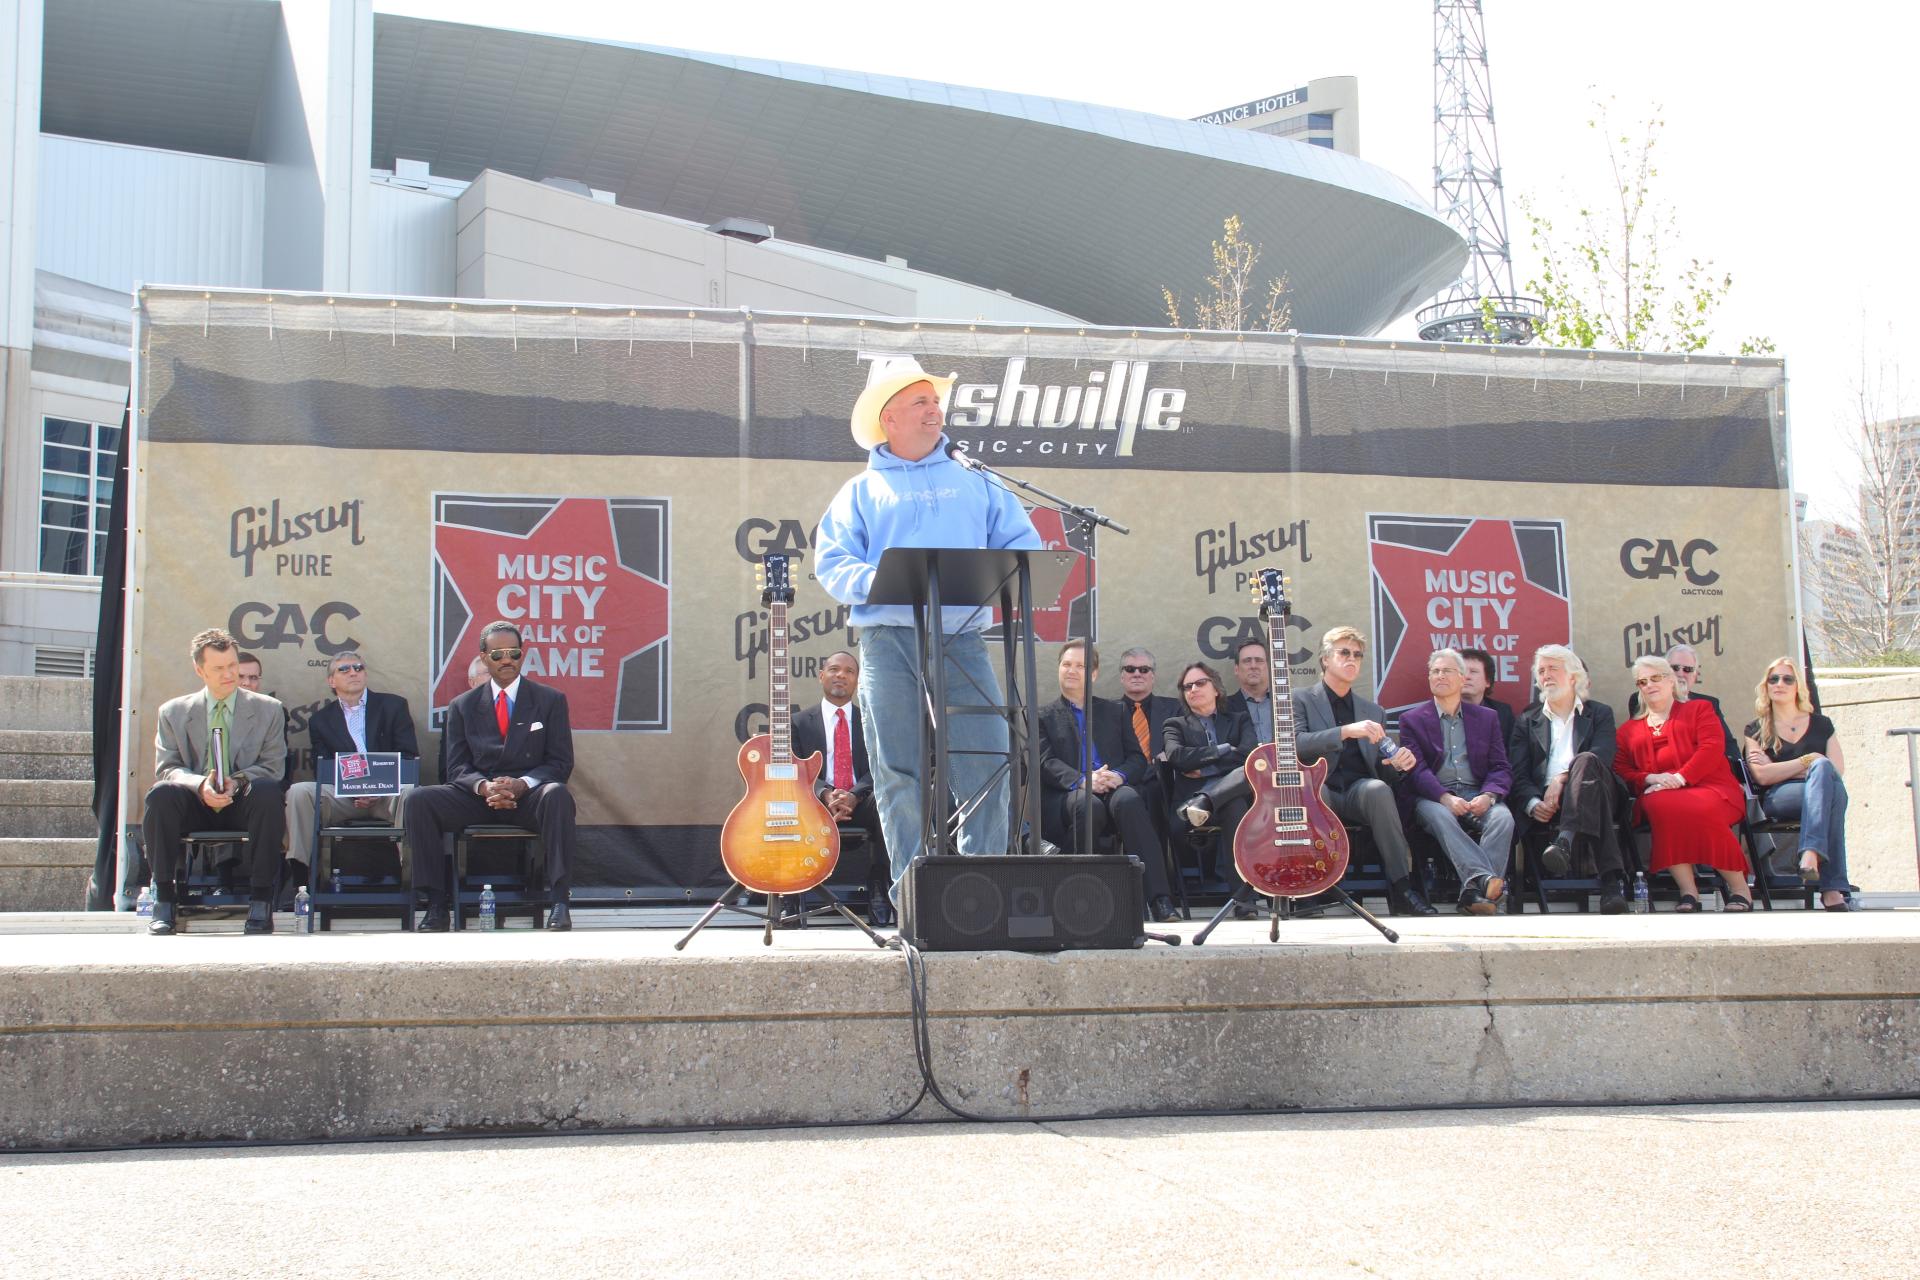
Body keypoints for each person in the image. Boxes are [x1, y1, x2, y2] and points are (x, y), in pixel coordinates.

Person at [813, 356, 1042, 905]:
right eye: (920, 402)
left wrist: (998, 572)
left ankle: (980, 892)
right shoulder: (859, 491)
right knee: (898, 772)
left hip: (962, 638)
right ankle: (914, 898)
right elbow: (832, 564)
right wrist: (889, 581)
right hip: (889, 643)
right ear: (888, 417)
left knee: (988, 759)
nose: (934, 410)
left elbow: (1022, 544)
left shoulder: (975, 477)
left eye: (935, 401)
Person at [404, 621, 578, 931]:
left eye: (513, 653)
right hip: (479, 796)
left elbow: (560, 762)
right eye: (498, 655)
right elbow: (456, 768)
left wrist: (522, 784)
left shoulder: (550, 700)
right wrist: (485, 787)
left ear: (522, 655)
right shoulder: (462, 706)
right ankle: (435, 905)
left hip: (528, 795)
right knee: (420, 800)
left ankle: (560, 902)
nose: (507, 660)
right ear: (484, 657)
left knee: (558, 795)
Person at [142, 628, 288, 936]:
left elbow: (273, 766)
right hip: (194, 800)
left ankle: (261, 901)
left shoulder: (268, 709)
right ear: (200, 670)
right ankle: (164, 899)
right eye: (219, 669)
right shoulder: (174, 712)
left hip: (241, 798)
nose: (229, 674)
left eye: (232, 666)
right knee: (161, 795)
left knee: (268, 792)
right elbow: (168, 767)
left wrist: (236, 781)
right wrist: (200, 786)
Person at [1292, 627, 1434, 917]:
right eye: (1344, 652)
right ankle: (1313, 887)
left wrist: (1397, 766)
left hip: (1358, 791)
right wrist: (1344, 731)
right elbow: (1295, 745)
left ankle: (1401, 887)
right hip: (1322, 787)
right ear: (1325, 659)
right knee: (1316, 793)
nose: (1352, 659)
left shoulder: (1373, 710)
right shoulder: (1301, 698)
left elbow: (1385, 775)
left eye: (1357, 655)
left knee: (1379, 790)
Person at [1038, 641, 1178, 923]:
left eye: (1081, 666)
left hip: (1113, 786)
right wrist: (1082, 779)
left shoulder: (1115, 711)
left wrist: (1119, 775)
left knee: (1129, 800)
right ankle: (1076, 899)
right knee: (1089, 806)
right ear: (1058, 670)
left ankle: (1160, 900)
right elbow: (1044, 763)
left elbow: (1138, 759)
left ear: (1093, 674)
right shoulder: (1042, 716)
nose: (1073, 671)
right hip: (1069, 794)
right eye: (1067, 665)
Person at [1613, 655, 1750, 912]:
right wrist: (1649, 778)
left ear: (1671, 680)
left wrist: (1679, 778)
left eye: (1656, 678)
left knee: (1700, 808)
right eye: (1642, 682)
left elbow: (1712, 748)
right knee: (1661, 805)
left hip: (1711, 788)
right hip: (1659, 792)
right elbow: (1620, 769)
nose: (1649, 685)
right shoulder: (1627, 731)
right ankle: (1688, 892)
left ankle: (1740, 889)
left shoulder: (1699, 710)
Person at [283, 649, 420, 897]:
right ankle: (301, 877)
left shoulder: (393, 706)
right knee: (299, 792)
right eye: (344, 669)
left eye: (358, 667)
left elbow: (408, 756)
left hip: (388, 796)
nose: (353, 672)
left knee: (412, 794)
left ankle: (411, 876)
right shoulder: (321, 721)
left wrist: (376, 787)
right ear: (331, 681)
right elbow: (322, 768)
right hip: (343, 797)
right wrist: (356, 789)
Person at [1506, 645, 1628, 913]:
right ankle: (1611, 886)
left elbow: (1602, 755)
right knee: (1592, 799)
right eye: (1541, 671)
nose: (1546, 675)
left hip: (1598, 786)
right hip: (1550, 801)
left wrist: (1563, 777)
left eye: (1553, 669)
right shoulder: (1527, 719)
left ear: (1573, 676)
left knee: (1587, 765)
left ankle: (1565, 840)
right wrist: (1532, 803)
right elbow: (1518, 772)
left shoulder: (1599, 713)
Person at [1397, 648, 1513, 915]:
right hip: (1432, 796)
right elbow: (1417, 770)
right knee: (1441, 816)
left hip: (1477, 792)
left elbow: (1501, 767)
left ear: (1462, 679)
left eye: (1447, 671)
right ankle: (1483, 882)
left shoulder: (1487, 718)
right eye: (1435, 671)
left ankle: (1473, 895)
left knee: (1503, 818)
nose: (1440, 676)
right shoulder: (1412, 720)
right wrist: (1445, 797)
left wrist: (1489, 796)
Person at [790, 649, 893, 926]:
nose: (841, 676)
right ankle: (792, 892)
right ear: (821, 675)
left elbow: (879, 768)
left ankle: (880, 886)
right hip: (816, 803)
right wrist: (825, 793)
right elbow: (797, 769)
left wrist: (854, 795)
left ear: (857, 681)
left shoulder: (869, 722)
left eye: (849, 672)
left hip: (860, 802)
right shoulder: (799, 722)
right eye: (835, 669)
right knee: (789, 799)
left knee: (889, 801)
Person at [1744, 656, 1854, 911]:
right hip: (1779, 798)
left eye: (1787, 678)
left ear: (1798, 687)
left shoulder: (1821, 724)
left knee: (1830, 784)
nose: (1779, 683)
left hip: (1821, 793)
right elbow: (1762, 777)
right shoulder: (1757, 729)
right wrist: (1808, 761)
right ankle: (1831, 884)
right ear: (1766, 686)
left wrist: (1785, 769)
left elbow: (1835, 770)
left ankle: (1812, 857)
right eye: (1773, 679)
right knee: (1828, 784)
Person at [1160, 661, 1259, 912]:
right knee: (1235, 790)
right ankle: (1244, 900)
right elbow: (1178, 757)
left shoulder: (1238, 720)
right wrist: (1223, 750)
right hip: (1187, 806)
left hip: (1206, 805)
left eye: (1200, 683)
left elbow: (1249, 756)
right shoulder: (1175, 725)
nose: (1193, 689)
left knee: (1240, 788)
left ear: (1216, 688)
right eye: (1187, 686)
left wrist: (1202, 766)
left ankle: (1207, 798)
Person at [1114, 646, 1182, 825]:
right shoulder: (1107, 712)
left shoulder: (1175, 708)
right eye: (1130, 669)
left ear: (1153, 676)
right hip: (1123, 785)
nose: (1137, 674)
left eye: (1144, 669)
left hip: (1162, 784)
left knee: (1154, 791)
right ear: (1122, 676)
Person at [1459, 647, 1516, 746]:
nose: (1466, 676)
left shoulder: (1503, 714)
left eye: (1473, 671)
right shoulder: (1437, 711)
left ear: (1488, 681)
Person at [1223, 639, 1275, 746]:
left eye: (1259, 660)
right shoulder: (1223, 707)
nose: (1253, 666)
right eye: (1247, 661)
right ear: (1236, 669)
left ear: (1269, 667)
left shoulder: (1289, 703)